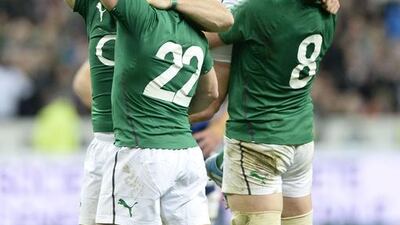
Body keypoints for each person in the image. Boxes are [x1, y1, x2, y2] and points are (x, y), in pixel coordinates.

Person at [64, 0, 232, 225]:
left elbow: (225, 18)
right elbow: (211, 93)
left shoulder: (143, 15)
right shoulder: (192, 30)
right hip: (171, 146)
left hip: (133, 147)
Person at [191, 0, 339, 224]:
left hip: (257, 143)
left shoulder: (261, 10)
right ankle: (224, 165)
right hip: (300, 140)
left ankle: (225, 166)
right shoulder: (328, 12)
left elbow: (195, 39)